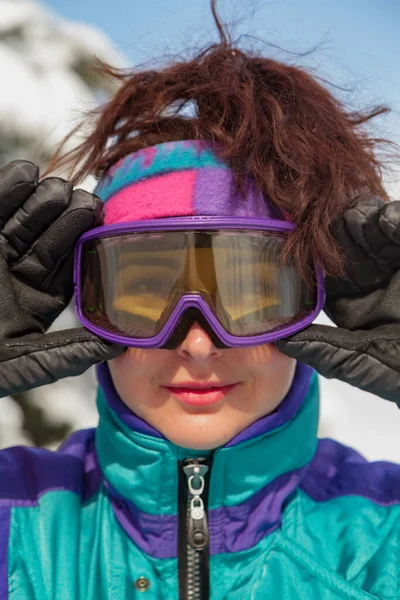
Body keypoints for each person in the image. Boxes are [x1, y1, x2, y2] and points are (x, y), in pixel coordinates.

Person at [0, 4, 400, 598]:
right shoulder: (20, 516)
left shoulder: (380, 528)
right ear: (89, 299)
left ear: (314, 297)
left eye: (249, 294)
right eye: (144, 294)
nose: (197, 341)